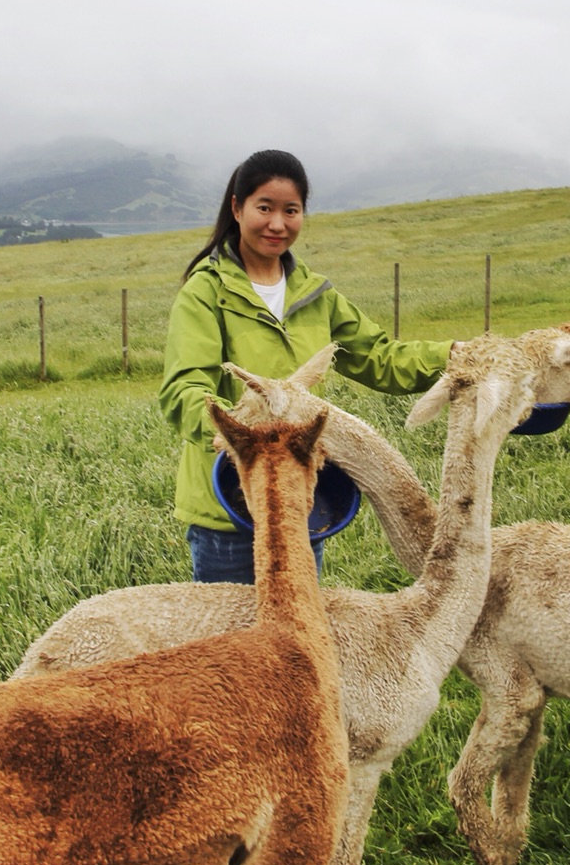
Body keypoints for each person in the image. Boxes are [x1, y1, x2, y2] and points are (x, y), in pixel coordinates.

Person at [160, 149, 454, 584]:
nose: (277, 224)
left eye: (291, 211)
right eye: (265, 208)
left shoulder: (317, 295)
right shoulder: (206, 292)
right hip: (229, 507)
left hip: (299, 500)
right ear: (237, 208)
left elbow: (382, 358)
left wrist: (460, 355)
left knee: (297, 635)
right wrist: (247, 436)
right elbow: (185, 388)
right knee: (235, 647)